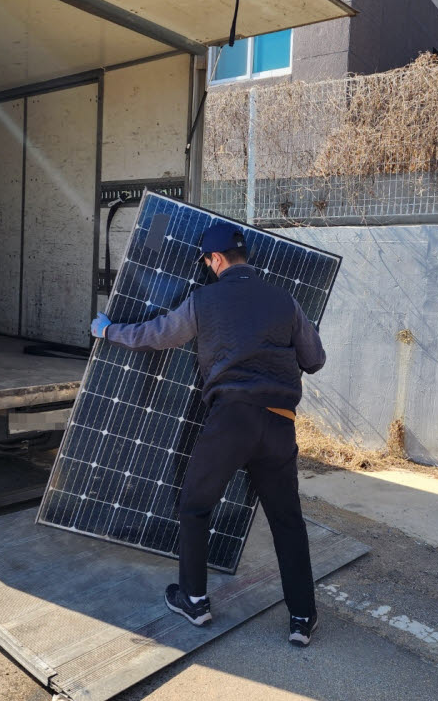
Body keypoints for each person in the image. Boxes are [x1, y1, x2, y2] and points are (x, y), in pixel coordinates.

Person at [90, 221, 326, 647]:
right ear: (244, 257)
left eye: (206, 260)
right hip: (278, 422)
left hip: (231, 419)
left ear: (215, 260)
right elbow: (315, 360)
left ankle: (195, 600)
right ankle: (302, 619)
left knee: (195, 505)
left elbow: (156, 335)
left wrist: (108, 330)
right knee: (287, 520)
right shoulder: (286, 302)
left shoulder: (204, 300)